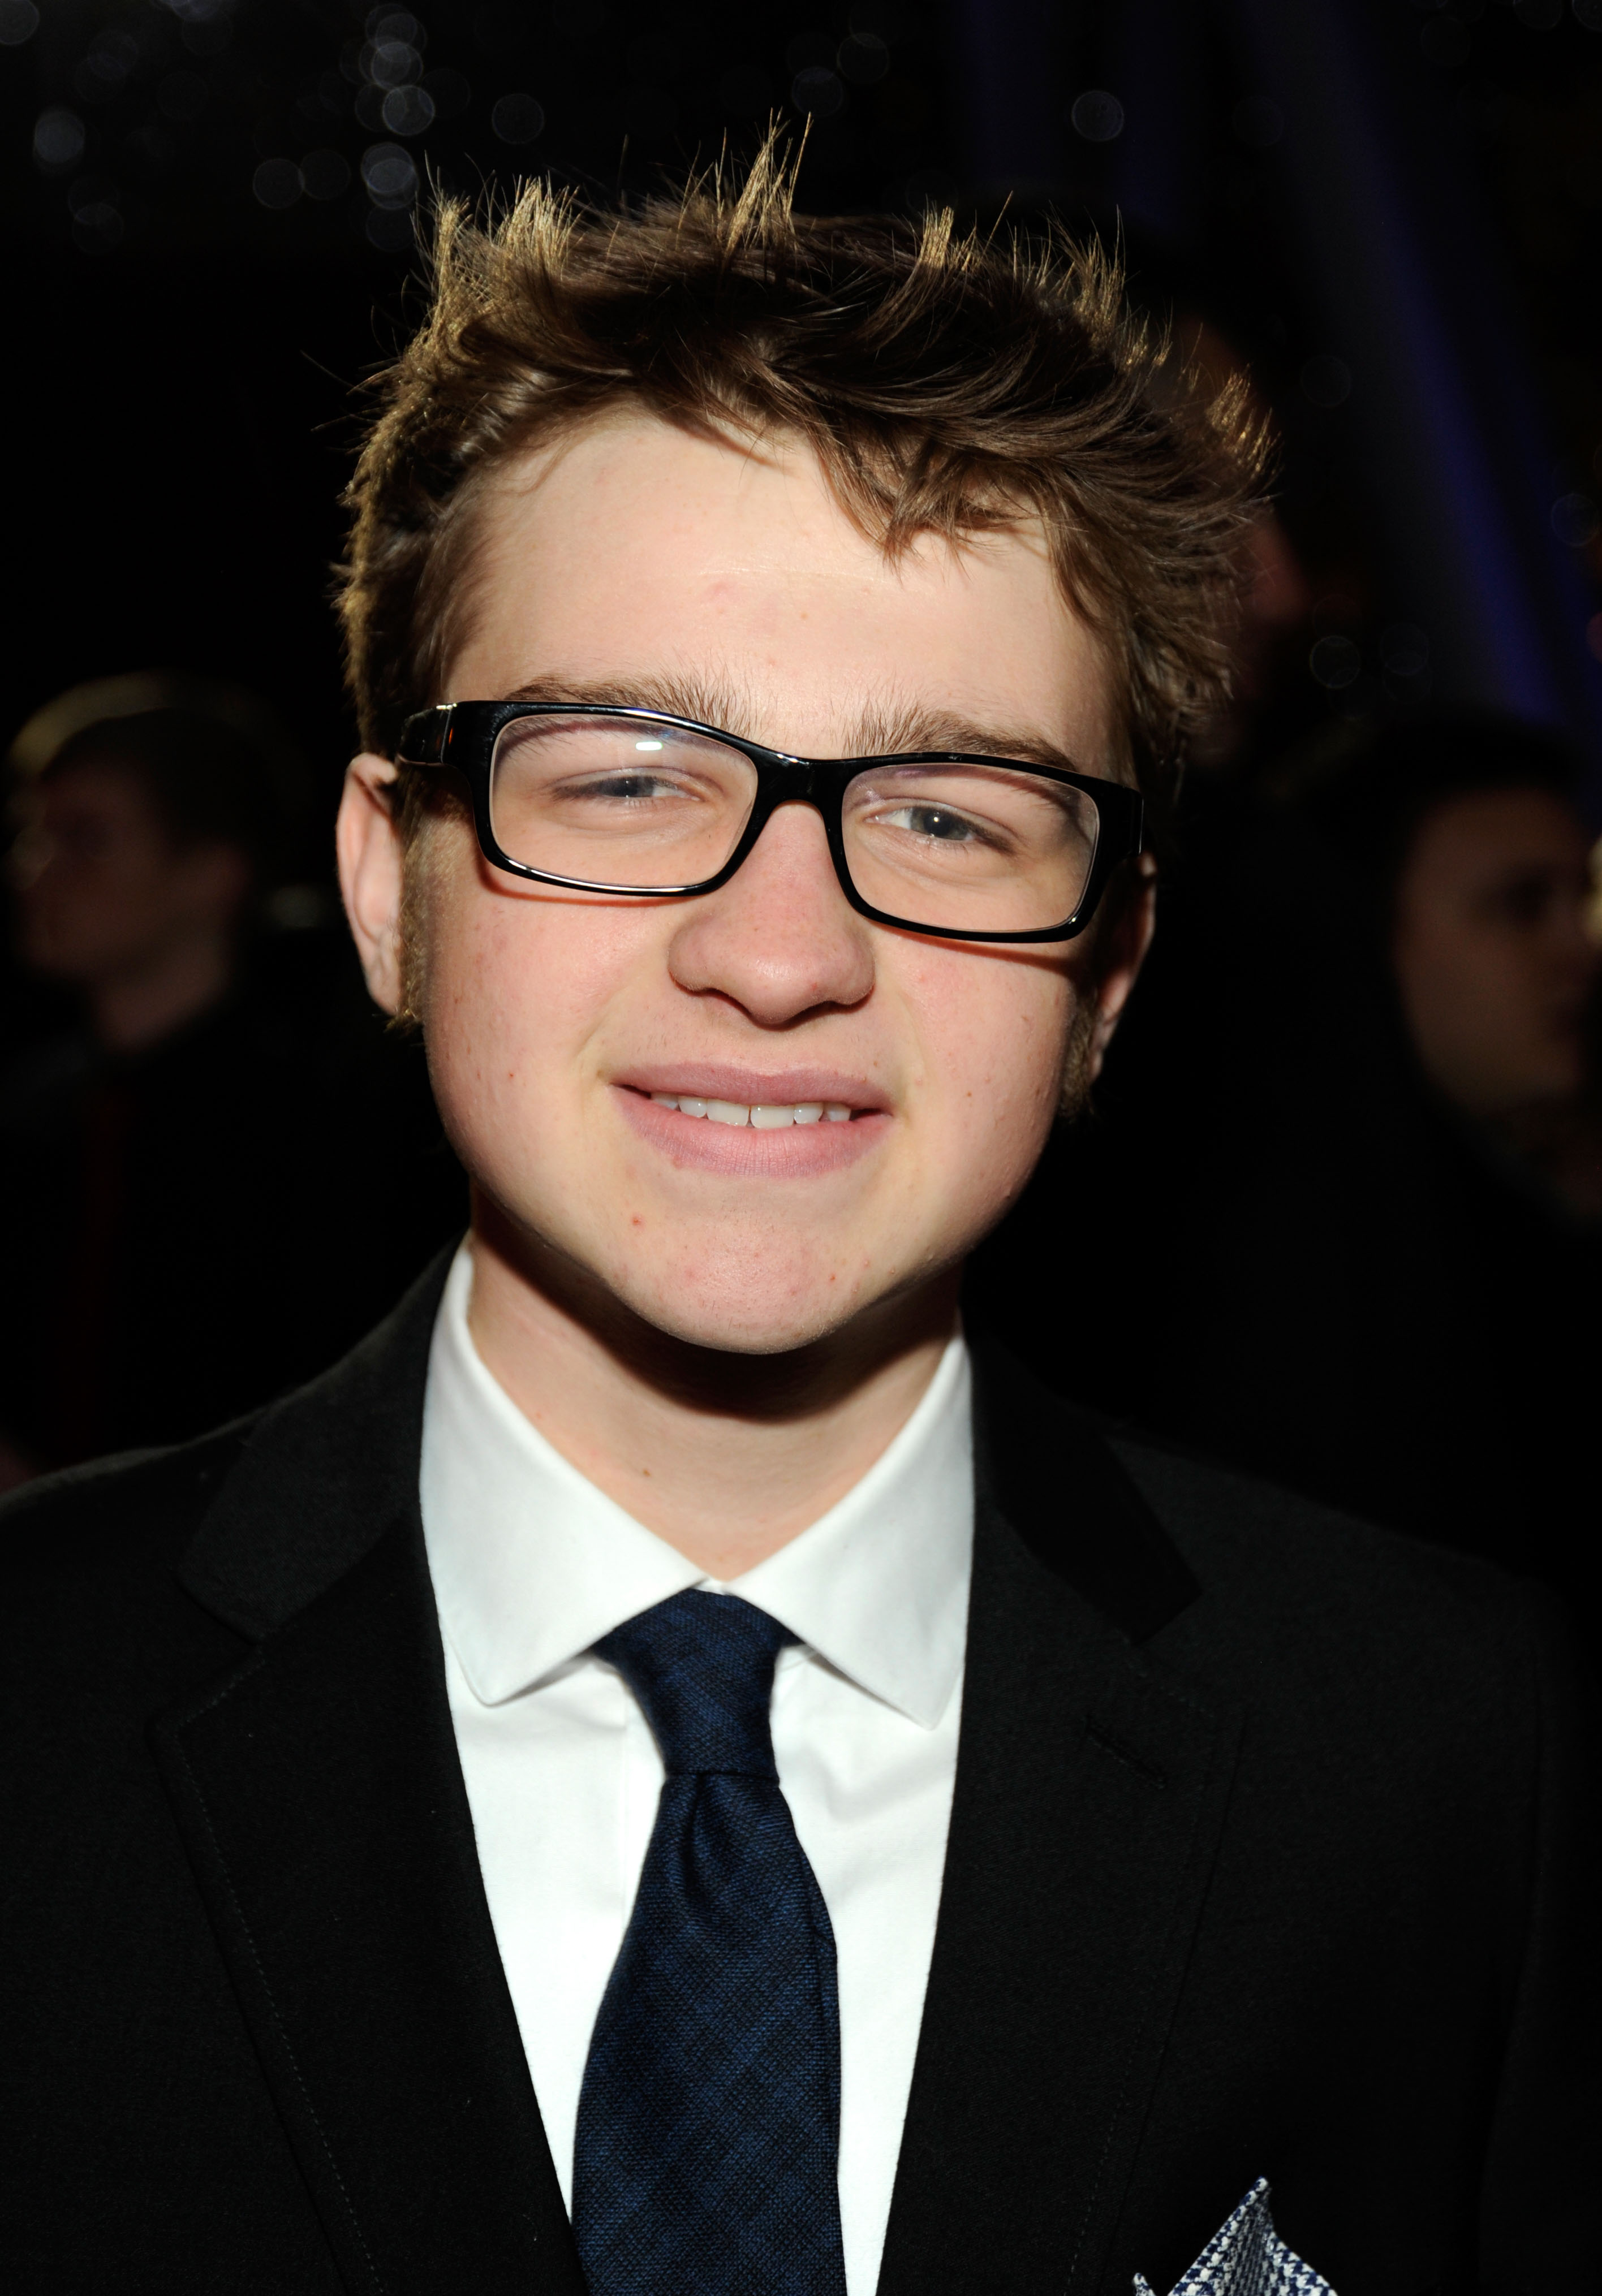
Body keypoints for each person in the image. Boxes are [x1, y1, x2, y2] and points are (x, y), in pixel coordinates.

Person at [0, 158, 1592, 2295]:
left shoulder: (1451, 1769)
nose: (781, 948)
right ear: (393, 884)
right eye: (626, 775)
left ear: (1104, 977)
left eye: (947, 814)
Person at [0, 682, 464, 1481]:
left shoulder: (331, 1120)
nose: (33, 869)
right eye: (34, 833)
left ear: (212, 874)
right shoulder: (36, 1109)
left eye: (86, 838)